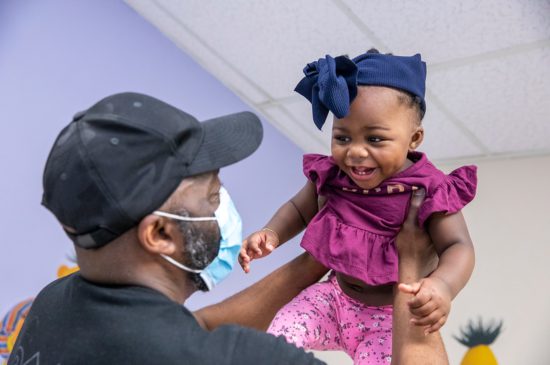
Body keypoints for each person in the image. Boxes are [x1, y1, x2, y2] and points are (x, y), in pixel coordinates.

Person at [8, 91, 448, 365]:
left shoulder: (50, 306)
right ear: (160, 234)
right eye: (214, 196)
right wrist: (409, 266)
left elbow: (181, 334)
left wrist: (323, 253)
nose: (225, 206)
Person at [239, 49, 476, 364]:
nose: (356, 153)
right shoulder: (333, 175)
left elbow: (459, 246)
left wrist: (442, 286)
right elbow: (299, 209)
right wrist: (271, 232)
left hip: (388, 322)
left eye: (375, 139)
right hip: (332, 299)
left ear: (414, 138)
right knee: (274, 336)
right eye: (342, 138)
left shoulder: (429, 189)